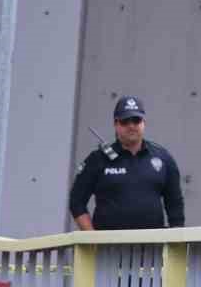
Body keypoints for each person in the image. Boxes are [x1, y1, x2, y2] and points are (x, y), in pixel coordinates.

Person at [69, 95, 184, 230]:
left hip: (152, 247)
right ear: (116, 124)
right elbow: (76, 202)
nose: (131, 126)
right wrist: (92, 239)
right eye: (125, 121)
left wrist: (176, 242)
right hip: (108, 247)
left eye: (136, 120)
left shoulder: (163, 158)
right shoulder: (98, 159)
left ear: (144, 123)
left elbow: (175, 204)